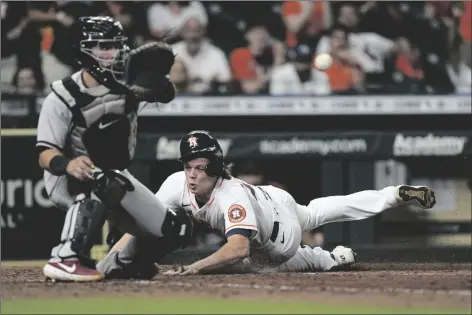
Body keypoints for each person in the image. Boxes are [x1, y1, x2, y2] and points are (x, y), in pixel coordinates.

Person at [96, 131, 436, 277]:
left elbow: (238, 248)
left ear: (215, 169)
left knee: (250, 265)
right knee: (321, 209)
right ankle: (391, 195)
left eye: (200, 167)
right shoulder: (175, 183)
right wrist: (109, 263)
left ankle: (327, 258)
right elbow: (144, 224)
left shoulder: (230, 195)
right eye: (188, 166)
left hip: (277, 241)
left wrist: (195, 267)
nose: (192, 174)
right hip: (274, 199)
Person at [37, 16, 193, 282]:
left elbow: (165, 94)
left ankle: (123, 263)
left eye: (116, 45)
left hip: (115, 174)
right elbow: (45, 153)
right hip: (70, 176)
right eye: (104, 46)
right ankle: (65, 257)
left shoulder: (128, 82)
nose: (114, 52)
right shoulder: (62, 96)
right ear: (83, 50)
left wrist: (158, 80)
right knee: (104, 179)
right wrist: (69, 164)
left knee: (176, 228)